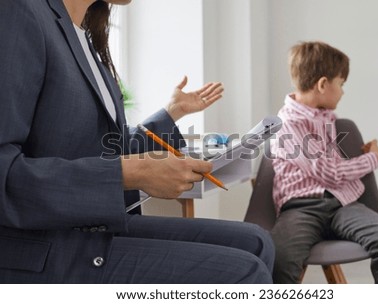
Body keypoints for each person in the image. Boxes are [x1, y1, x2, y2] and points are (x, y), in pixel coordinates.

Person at [0, 0, 274, 283]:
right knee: (245, 271)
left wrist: (171, 113)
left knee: (256, 241)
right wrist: (133, 173)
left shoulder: (83, 36)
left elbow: (108, 148)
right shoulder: (19, 12)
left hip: (89, 228)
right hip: (46, 249)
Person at [270, 41, 378, 283]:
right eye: (341, 84)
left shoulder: (327, 117)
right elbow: (328, 172)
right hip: (300, 208)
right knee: (281, 258)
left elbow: (328, 163)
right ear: (323, 84)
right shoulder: (287, 124)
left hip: (342, 204)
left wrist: (359, 153)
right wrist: (372, 158)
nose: (343, 91)